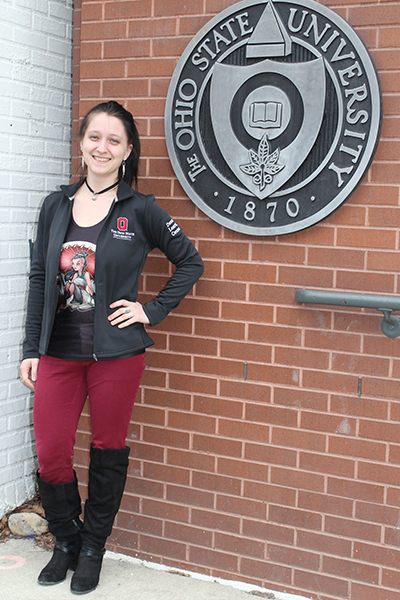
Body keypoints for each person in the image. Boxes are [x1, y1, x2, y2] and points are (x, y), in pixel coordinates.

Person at [20, 101, 204, 595]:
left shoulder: (140, 209)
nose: (103, 147)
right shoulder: (55, 204)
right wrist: (29, 348)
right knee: (52, 451)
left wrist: (150, 309)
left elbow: (190, 262)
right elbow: (41, 279)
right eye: (95, 137)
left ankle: (93, 547)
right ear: (81, 144)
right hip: (58, 353)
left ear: (127, 152)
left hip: (116, 356)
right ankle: (65, 540)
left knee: (107, 447)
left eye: (114, 140)